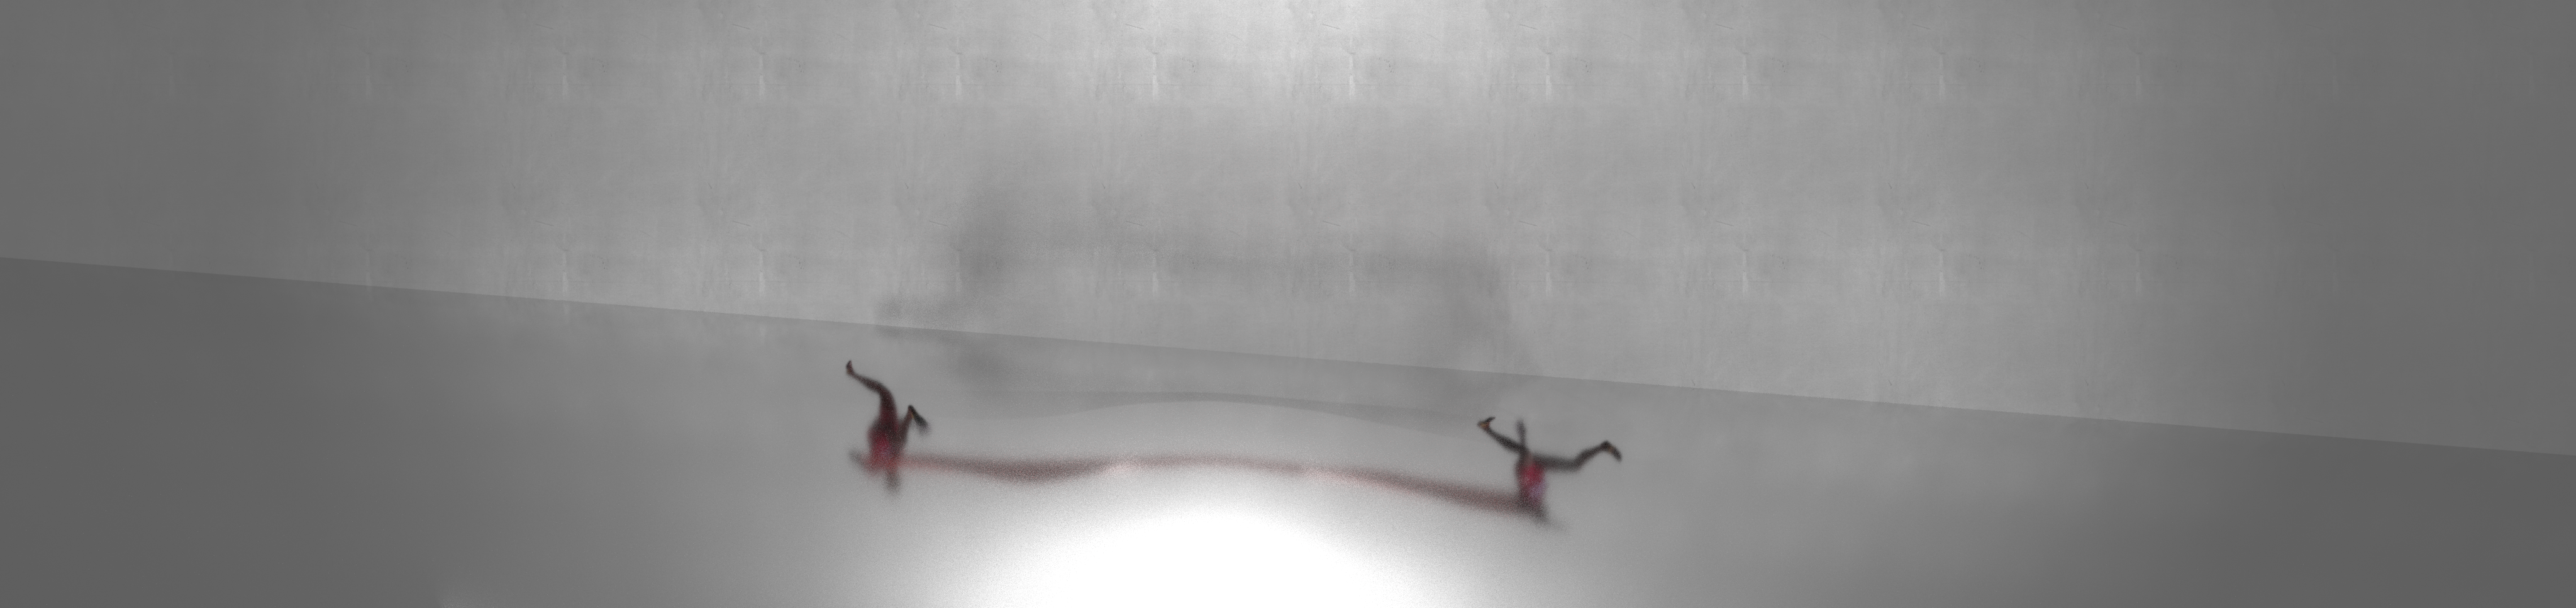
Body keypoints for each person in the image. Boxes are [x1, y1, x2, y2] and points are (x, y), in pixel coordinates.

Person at [1479, 417, 1621, 511]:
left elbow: (1525, 462)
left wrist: (1523, 436)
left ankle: (1487, 429)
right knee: (1575, 466)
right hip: (1538, 466)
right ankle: (1603, 447)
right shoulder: (1535, 498)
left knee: (1525, 452)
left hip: (1530, 467)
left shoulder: (1528, 495)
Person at [847, 362, 928, 490]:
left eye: (891, 478)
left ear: (887, 478)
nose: (893, 474)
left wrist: (856, 458)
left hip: (879, 431)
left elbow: (857, 458)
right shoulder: (896, 457)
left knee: (898, 443)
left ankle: (853, 374)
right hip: (890, 427)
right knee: (885, 393)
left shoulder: (875, 468)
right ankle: (910, 415)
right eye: (895, 477)